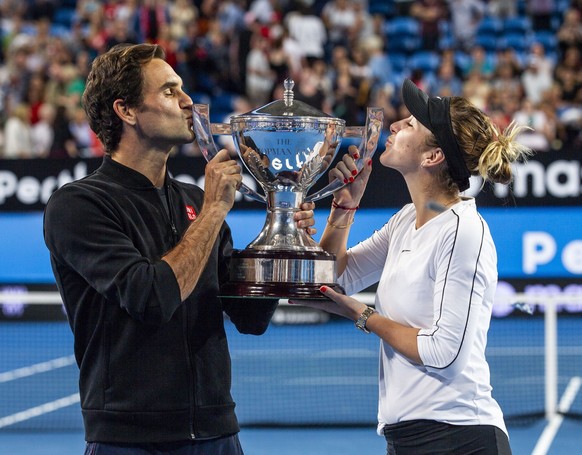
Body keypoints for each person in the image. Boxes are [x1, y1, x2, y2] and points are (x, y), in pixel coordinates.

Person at [43, 43, 315, 455]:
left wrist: (281, 235)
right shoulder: (78, 205)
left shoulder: (193, 199)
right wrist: (213, 212)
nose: (188, 101)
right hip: (129, 441)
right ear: (126, 111)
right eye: (170, 91)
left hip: (218, 433)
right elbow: (151, 297)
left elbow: (251, 316)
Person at [294, 79, 533, 454]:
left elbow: (443, 353)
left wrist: (361, 314)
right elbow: (334, 277)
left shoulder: (463, 230)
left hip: (459, 439)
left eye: (410, 124)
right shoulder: (406, 220)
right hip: (407, 439)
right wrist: (343, 210)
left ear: (432, 156)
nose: (394, 125)